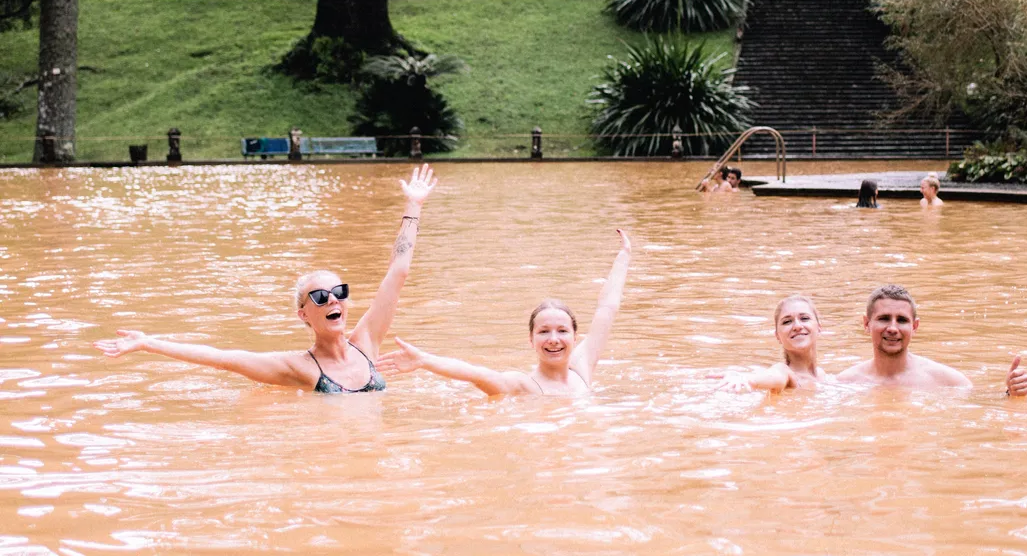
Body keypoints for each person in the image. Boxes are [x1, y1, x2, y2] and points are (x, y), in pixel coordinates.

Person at [95, 165, 439, 391]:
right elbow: (223, 358)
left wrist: (414, 205)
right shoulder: (298, 368)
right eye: (320, 297)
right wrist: (147, 342)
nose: (333, 299)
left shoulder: (367, 343)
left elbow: (400, 270)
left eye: (338, 291)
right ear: (303, 314)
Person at [379, 229, 632, 396]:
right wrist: (424, 360)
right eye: (544, 331)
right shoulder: (522, 385)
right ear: (531, 340)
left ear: (575, 337)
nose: (553, 339)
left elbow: (607, 309)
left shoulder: (582, 367)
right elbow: (474, 373)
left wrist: (623, 258)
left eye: (562, 330)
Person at [835, 284, 1027, 395]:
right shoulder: (845, 383)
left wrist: (1009, 393)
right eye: (884, 318)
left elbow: (981, 406)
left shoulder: (948, 381)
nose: (892, 328)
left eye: (902, 320)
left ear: (915, 326)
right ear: (866, 323)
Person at [713, 294, 833, 392]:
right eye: (787, 322)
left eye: (804, 318)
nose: (797, 326)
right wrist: (748, 378)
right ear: (777, 336)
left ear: (819, 327)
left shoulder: (825, 377)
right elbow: (775, 376)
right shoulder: (786, 372)